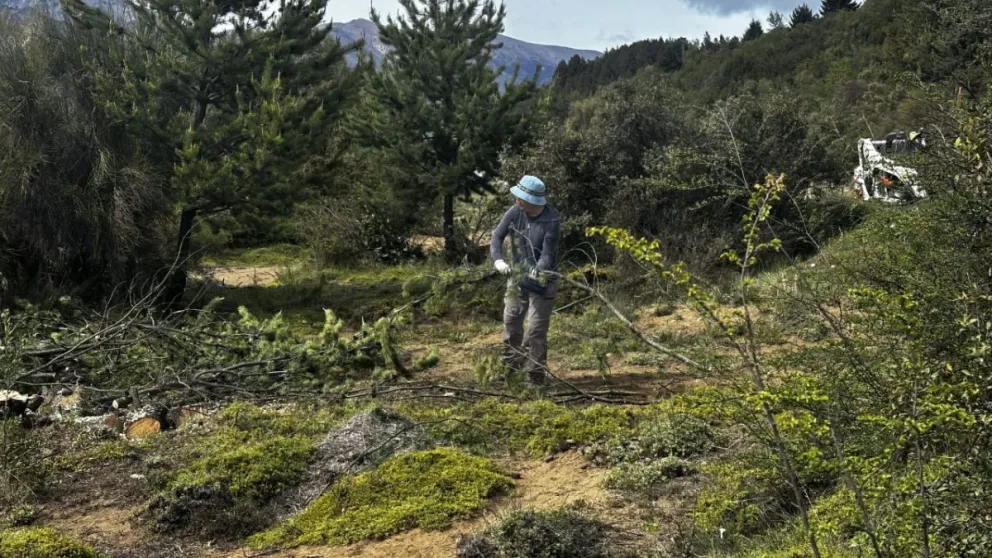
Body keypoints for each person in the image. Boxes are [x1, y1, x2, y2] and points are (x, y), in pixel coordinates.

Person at [490, 175, 561, 385]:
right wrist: (498, 260)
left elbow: (547, 253)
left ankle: (535, 376)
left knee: (536, 330)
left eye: (520, 198)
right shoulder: (515, 212)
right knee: (511, 322)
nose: (516, 201)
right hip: (516, 277)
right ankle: (510, 369)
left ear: (532, 200)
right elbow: (497, 237)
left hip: (543, 281)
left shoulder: (551, 220)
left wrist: (537, 271)